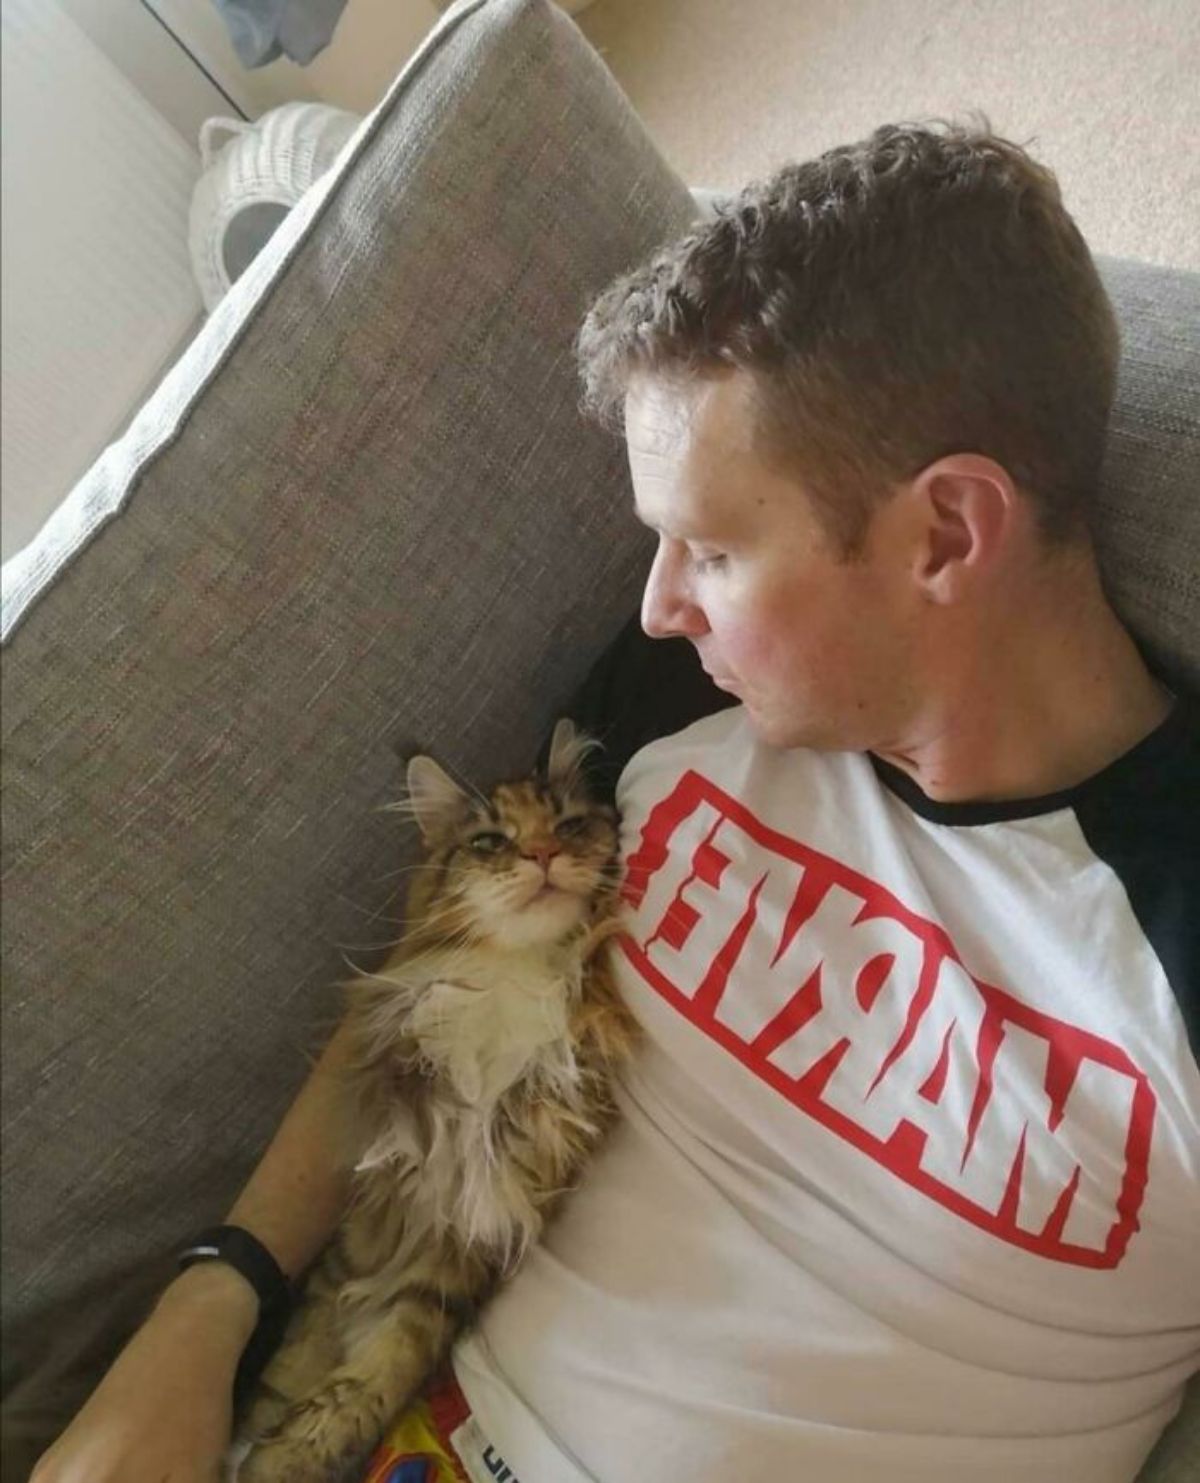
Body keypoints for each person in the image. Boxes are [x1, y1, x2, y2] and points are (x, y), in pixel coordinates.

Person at [33, 118, 1199, 1483]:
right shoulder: (674, 711)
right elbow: (430, 997)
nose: (655, 606)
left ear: (946, 533)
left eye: (709, 549)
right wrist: (205, 1305)